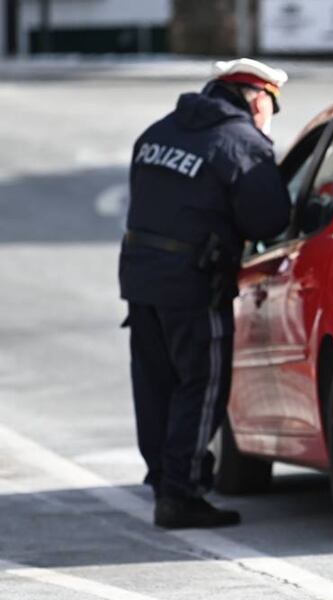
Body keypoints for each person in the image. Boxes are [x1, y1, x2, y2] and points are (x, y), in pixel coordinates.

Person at [119, 58, 291, 529]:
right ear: (259, 99)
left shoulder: (157, 132)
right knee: (201, 387)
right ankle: (182, 494)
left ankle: (163, 483)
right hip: (196, 285)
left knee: (155, 386)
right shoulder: (242, 144)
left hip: (140, 281)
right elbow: (269, 221)